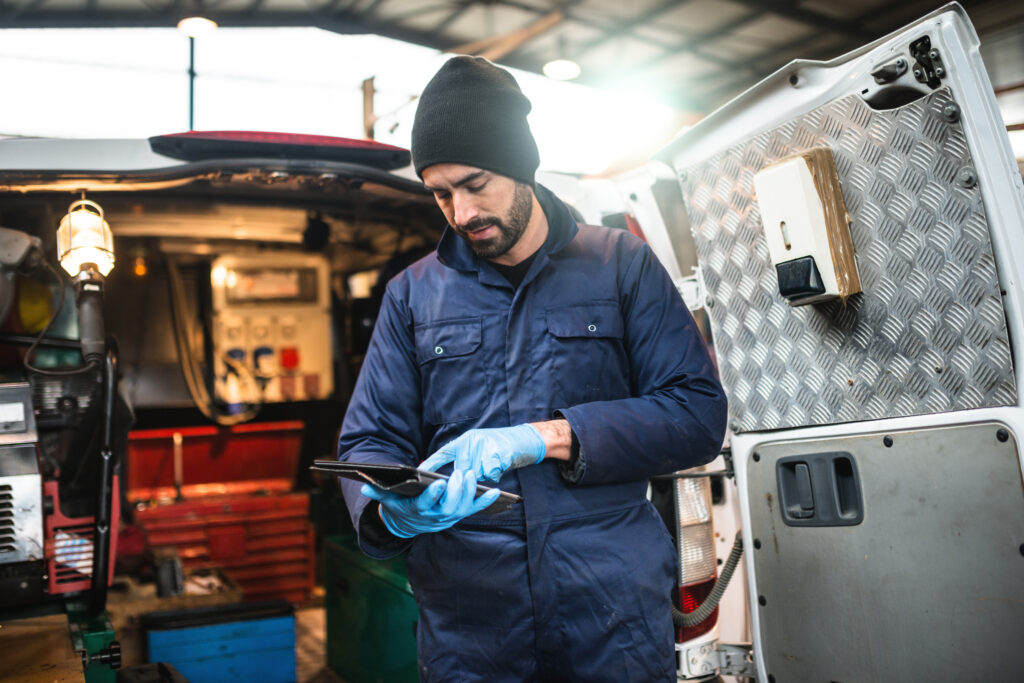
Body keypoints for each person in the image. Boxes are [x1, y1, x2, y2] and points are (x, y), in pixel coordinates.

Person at [337, 55, 728, 682]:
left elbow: (696, 414)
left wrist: (546, 437)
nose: (462, 212)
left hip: (611, 614)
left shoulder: (620, 265)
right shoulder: (412, 296)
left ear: (521, 164)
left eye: (476, 183)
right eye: (441, 193)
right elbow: (368, 440)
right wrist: (389, 512)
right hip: (472, 625)